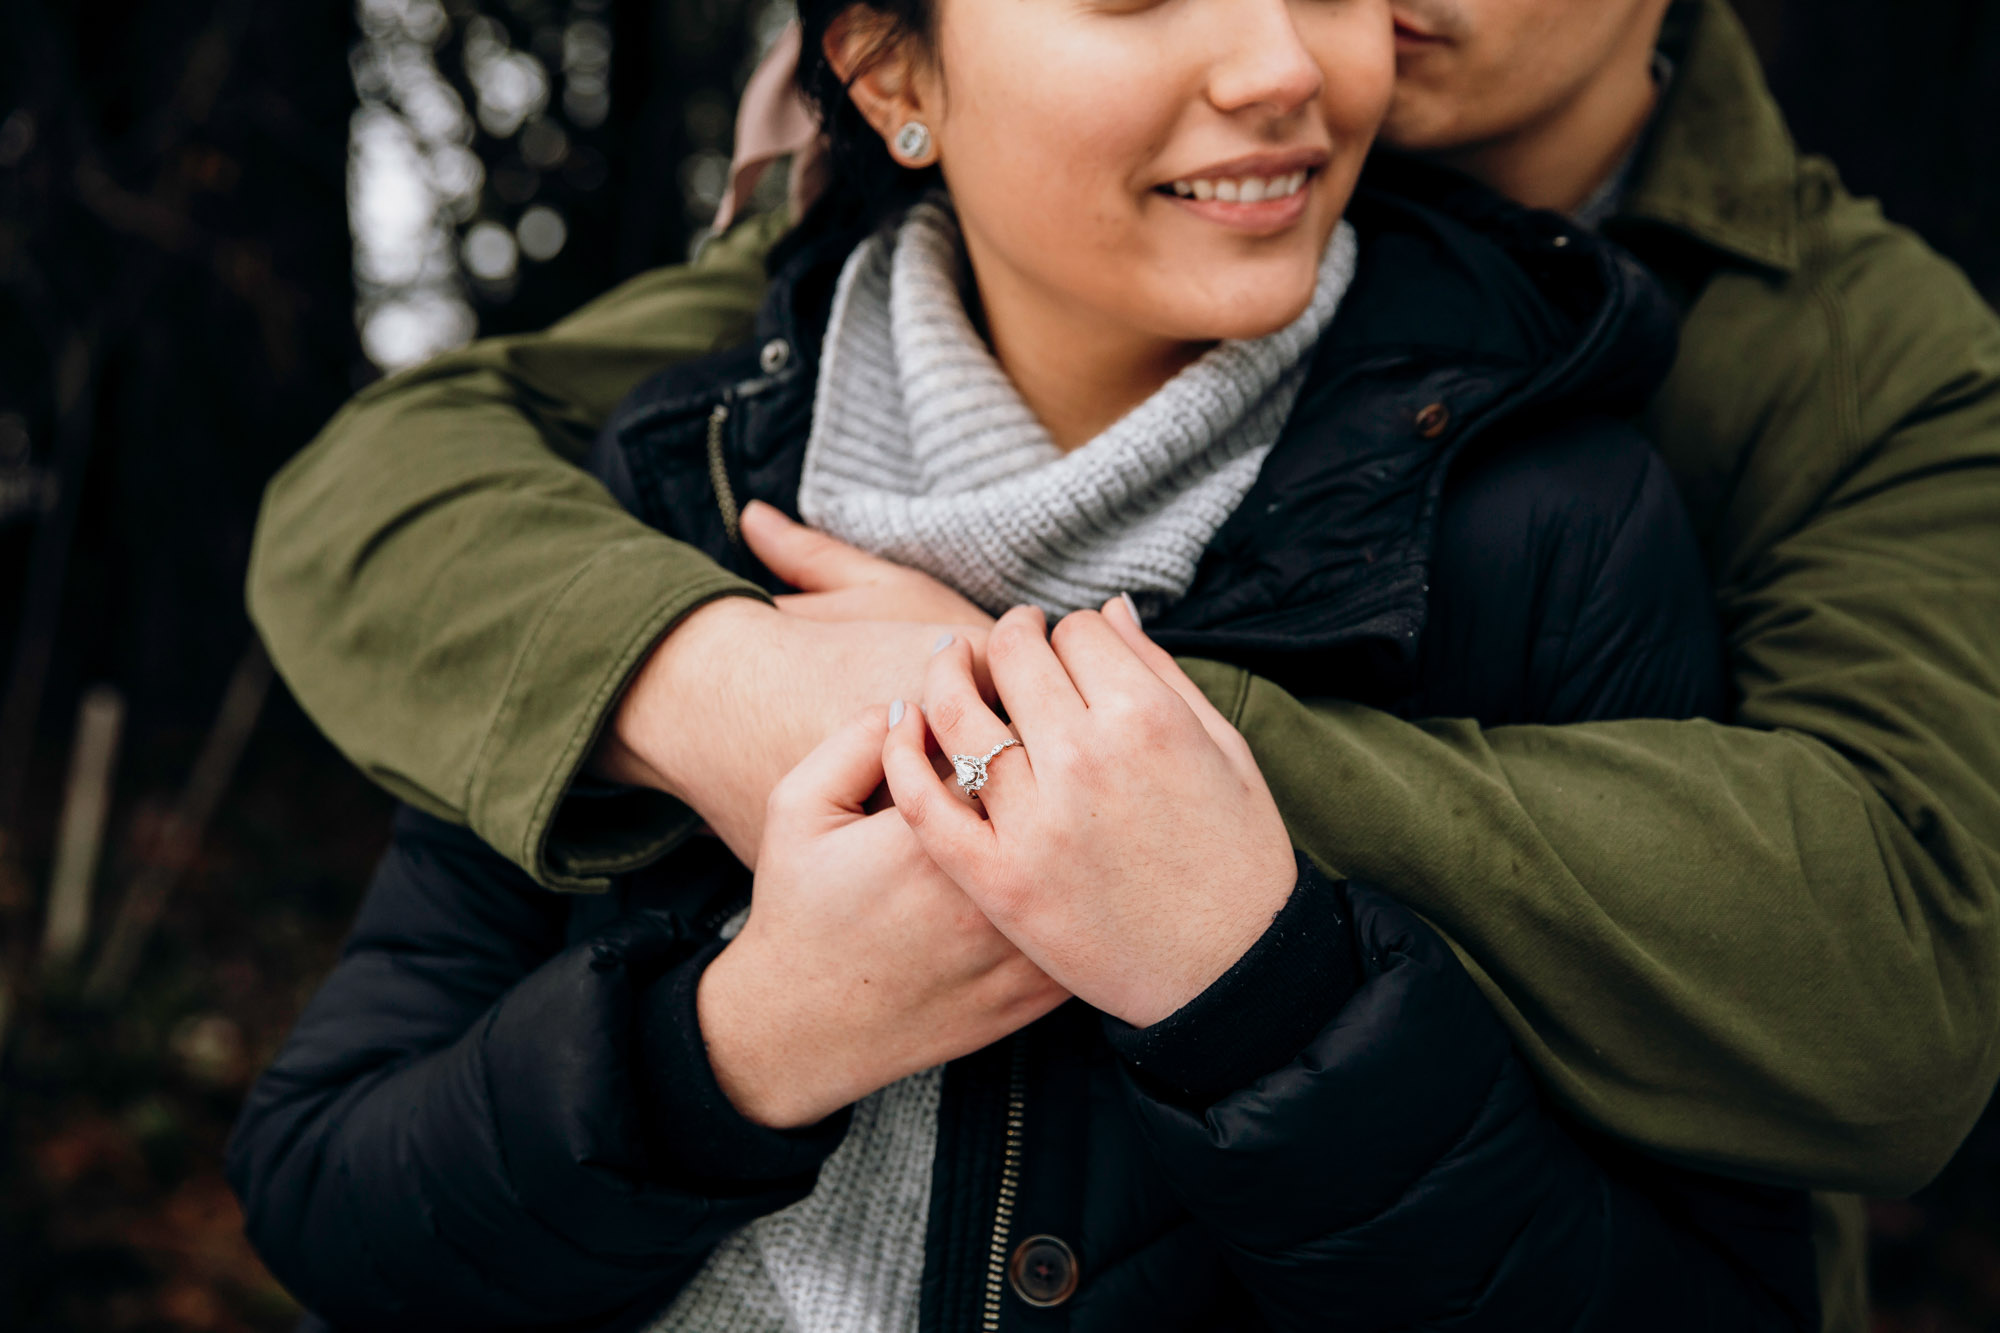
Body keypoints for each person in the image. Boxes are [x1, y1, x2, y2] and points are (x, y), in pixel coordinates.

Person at [238, 0, 2000, 1326]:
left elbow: (1901, 979)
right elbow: (386, 483)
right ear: (894, 81)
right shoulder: (758, 396)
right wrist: (706, 712)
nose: (1286, 53)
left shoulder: (1802, 382)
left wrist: (1070, 749)